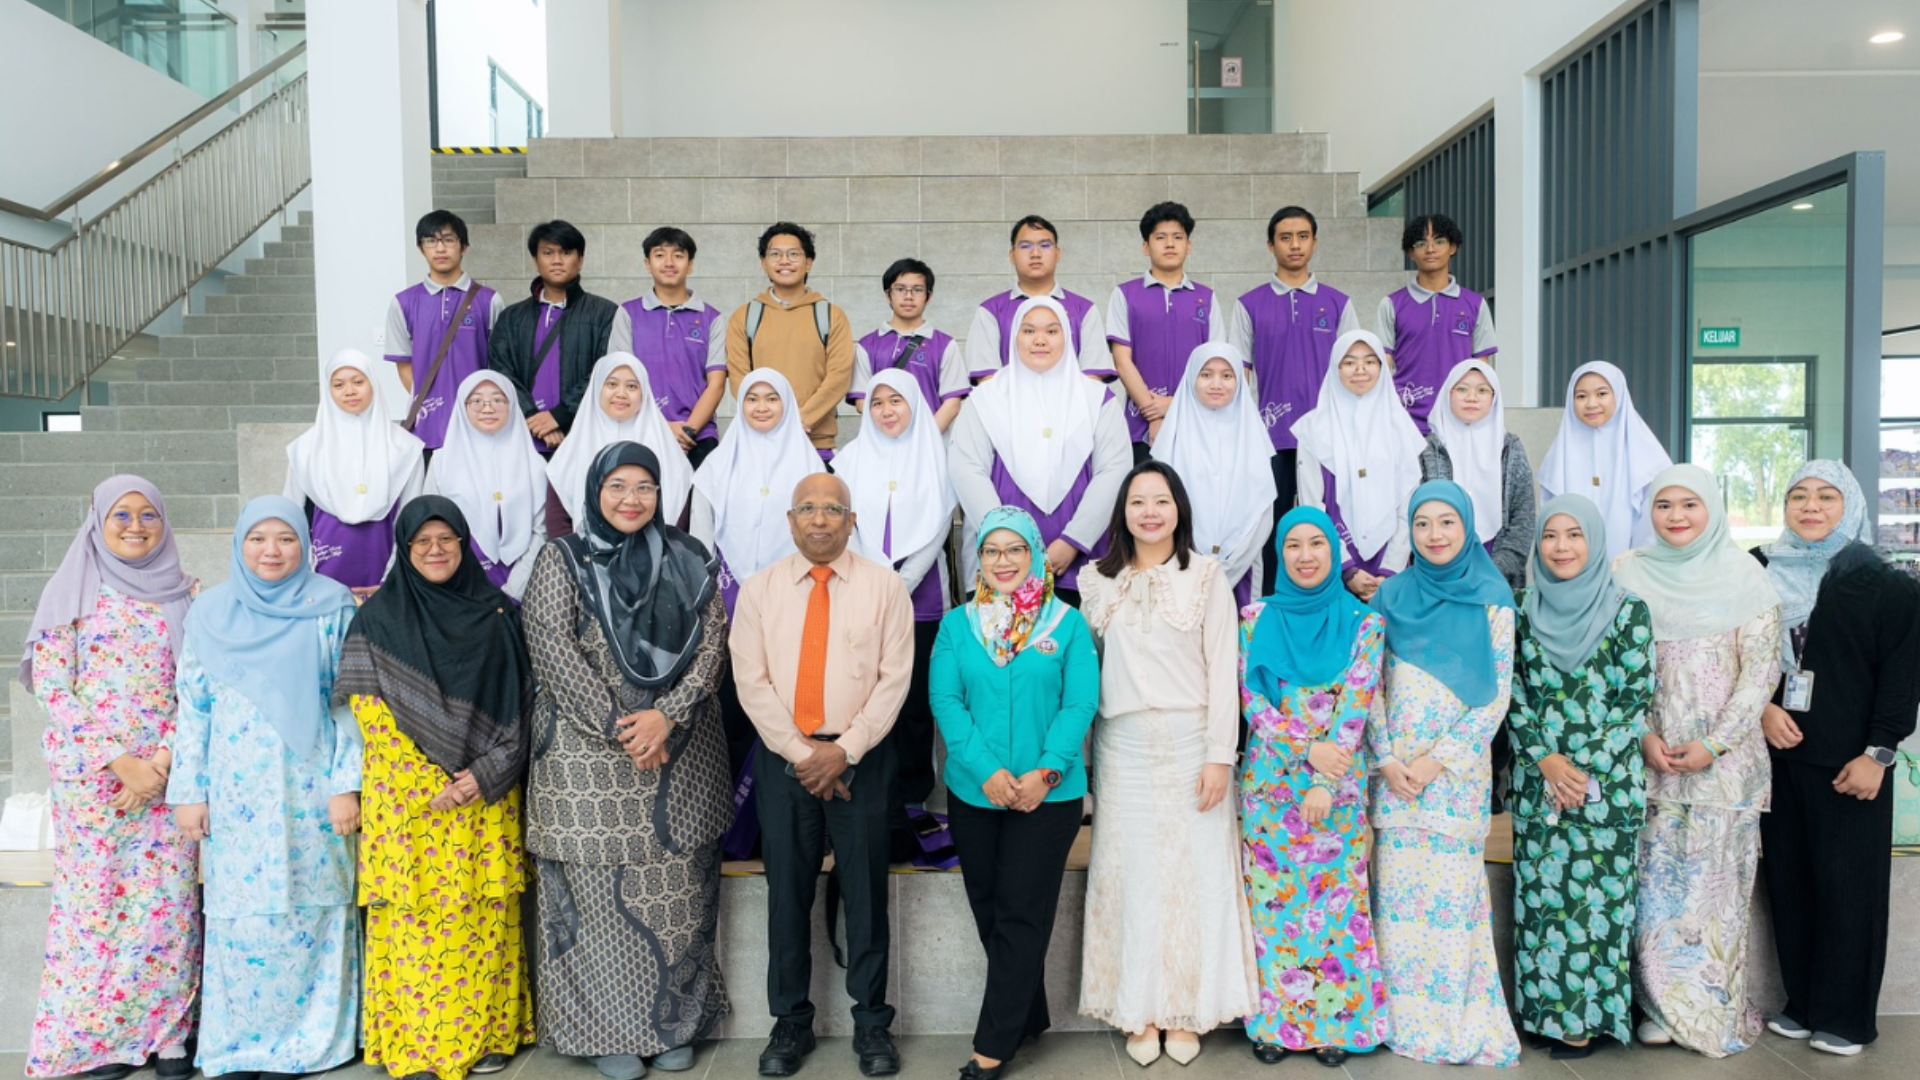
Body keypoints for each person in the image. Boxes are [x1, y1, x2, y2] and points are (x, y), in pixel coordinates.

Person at [521, 442, 733, 1079]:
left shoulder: (689, 557)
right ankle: (602, 1031)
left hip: (681, 757)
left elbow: (713, 642)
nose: (631, 499)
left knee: (679, 894)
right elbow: (552, 648)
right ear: (594, 491)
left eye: (645, 486)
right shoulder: (562, 559)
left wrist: (667, 715)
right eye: (617, 486)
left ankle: (674, 1023)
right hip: (585, 761)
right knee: (595, 904)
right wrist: (627, 731)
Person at [335, 496, 536, 1080]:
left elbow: (526, 707)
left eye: (447, 538)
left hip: (485, 798)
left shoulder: (500, 614)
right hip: (409, 803)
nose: (435, 549)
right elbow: (369, 714)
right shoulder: (376, 620)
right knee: (412, 921)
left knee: (485, 917)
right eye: (421, 541)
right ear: (404, 548)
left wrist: (485, 775)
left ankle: (491, 1035)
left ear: (465, 543)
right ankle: (418, 1045)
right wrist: (433, 782)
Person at [167, 496, 363, 1079]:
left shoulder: (331, 606)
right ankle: (240, 1046)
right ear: (240, 543)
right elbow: (193, 706)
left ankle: (308, 1043)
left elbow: (350, 702)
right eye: (258, 538)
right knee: (242, 916)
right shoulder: (209, 613)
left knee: (312, 907)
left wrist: (346, 784)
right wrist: (189, 791)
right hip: (236, 793)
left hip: (311, 789)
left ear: (304, 543)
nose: (271, 551)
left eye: (285, 538)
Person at [728, 473, 914, 1078]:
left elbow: (894, 681)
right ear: (789, 520)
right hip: (785, 761)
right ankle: (790, 1023)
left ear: (852, 521)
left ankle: (872, 1023)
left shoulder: (886, 587)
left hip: (862, 757)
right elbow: (750, 680)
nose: (819, 519)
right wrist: (801, 753)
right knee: (787, 894)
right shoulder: (759, 590)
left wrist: (845, 750)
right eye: (806, 508)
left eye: (833, 509)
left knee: (865, 894)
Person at [1076, 463, 1256, 1066]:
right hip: (1122, 746)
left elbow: (1224, 669)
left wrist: (1220, 756)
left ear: (1179, 508)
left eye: (1161, 500)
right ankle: (1141, 1010)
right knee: (1133, 879)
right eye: (1138, 502)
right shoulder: (1096, 582)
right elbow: (1084, 677)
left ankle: (1185, 1010)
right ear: (1122, 512)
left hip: (1191, 743)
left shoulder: (1206, 576)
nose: (1149, 512)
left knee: (1193, 878)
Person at [21, 477, 200, 1080]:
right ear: (97, 519)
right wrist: (121, 763)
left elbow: (196, 686)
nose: (135, 525)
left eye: (149, 514)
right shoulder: (71, 588)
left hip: (167, 774)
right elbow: (53, 687)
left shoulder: (186, 592)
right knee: (98, 912)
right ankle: (104, 1039)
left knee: (168, 908)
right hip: (92, 778)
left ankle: (169, 1037)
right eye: (121, 514)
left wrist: (161, 764)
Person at [1612, 464, 1781, 1058]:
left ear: (1712, 509)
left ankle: (1708, 1011)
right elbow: (1612, 666)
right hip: (1648, 765)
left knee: (1714, 896)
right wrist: (1640, 734)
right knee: (1653, 894)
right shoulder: (1627, 572)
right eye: (1664, 505)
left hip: (1723, 770)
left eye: (1690, 504)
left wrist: (1715, 743)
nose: (1676, 516)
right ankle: (1659, 1007)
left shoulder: (1745, 576)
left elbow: (1761, 671)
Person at [1755, 461, 1920, 1056]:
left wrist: (1879, 753)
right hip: (1776, 756)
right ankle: (1802, 1004)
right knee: (1790, 885)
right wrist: (1762, 709)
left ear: (1850, 505)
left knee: (1850, 889)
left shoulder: (1885, 583)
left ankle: (1846, 1018)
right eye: (1798, 495)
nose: (1811, 507)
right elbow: (1734, 655)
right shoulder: (1758, 570)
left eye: (1827, 497)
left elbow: (1901, 678)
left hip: (1852, 763)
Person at [929, 507, 1099, 1080]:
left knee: (1021, 913)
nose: (1003, 561)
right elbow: (946, 702)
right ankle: (1028, 1014)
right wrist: (985, 771)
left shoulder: (1066, 623)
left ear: (1035, 555)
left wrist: (1045, 772)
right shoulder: (958, 625)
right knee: (990, 911)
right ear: (978, 558)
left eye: (1015, 549)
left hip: (1047, 797)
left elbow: (1079, 703)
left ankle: (992, 1046)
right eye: (991, 550)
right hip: (975, 793)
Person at [1366, 480, 1520, 1067]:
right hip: (1395, 778)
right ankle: (1403, 1022)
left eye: (1447, 522)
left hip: (1454, 779)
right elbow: (1368, 684)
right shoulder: (1390, 596)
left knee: (1452, 907)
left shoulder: (1493, 598)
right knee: (1400, 906)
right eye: (1422, 523)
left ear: (1467, 527)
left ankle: (1453, 1023)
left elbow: (1495, 696)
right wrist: (1387, 759)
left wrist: (1436, 761)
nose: (1434, 535)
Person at [1238, 507, 1389, 1067]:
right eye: (1293, 545)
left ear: (1334, 551)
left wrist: (1326, 775)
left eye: (1316, 544)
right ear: (1281, 555)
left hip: (1336, 786)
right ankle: (1275, 1024)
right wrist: (1305, 750)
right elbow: (1253, 700)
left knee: (1335, 907)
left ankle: (1335, 1023)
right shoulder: (1255, 618)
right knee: (1273, 906)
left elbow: (1356, 705)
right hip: (1270, 788)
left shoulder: (1364, 623)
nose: (1305, 556)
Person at [1507, 495, 1655, 1058]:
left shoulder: (1628, 610)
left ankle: (1584, 1021)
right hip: (1538, 783)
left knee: (1595, 907)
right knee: (1541, 903)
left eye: (1574, 535)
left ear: (1594, 540)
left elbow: (1632, 700)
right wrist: (1546, 761)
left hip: (1605, 789)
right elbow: (1512, 691)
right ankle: (1543, 1014)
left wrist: (1581, 767)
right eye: (1550, 535)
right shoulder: (1522, 608)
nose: (1561, 546)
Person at [832, 370, 958, 850]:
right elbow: (846, 527)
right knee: (863, 697)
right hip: (861, 596)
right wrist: (877, 585)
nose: (886, 410)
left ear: (915, 405)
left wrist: (898, 585)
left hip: (921, 600)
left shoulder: (939, 457)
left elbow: (937, 529)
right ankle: (872, 797)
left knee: (914, 703)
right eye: (878, 402)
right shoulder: (848, 459)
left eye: (896, 401)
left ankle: (912, 799)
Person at [948, 296, 1132, 604]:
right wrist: (1008, 542)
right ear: (1014, 337)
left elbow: (1114, 470)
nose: (1040, 340)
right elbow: (967, 469)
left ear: (1067, 336)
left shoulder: (1098, 399)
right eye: (1029, 331)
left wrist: (1073, 541)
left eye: (1051, 331)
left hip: (1081, 563)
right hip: (1003, 565)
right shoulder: (985, 399)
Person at [1228, 206, 1359, 593]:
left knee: (1327, 529)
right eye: (1285, 237)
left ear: (1315, 242)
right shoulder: (1249, 305)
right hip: (1273, 440)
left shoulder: (1338, 303)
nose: (1295, 244)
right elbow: (1239, 376)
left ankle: (1329, 604)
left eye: (1303, 236)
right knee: (1274, 532)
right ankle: (1272, 607)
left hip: (1329, 440)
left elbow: (1354, 370)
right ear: (1271, 245)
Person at [488, 220, 619, 532]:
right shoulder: (511, 317)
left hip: (580, 437)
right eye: (548, 253)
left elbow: (605, 371)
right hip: (523, 440)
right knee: (524, 523)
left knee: (577, 520)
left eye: (566, 252)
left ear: (580, 260)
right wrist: (534, 418)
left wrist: (559, 416)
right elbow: (501, 370)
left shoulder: (604, 313)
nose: (557, 260)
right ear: (536, 259)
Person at [1293, 330, 1424, 603]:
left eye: (1370, 361)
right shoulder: (1313, 429)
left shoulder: (1401, 428)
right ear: (1335, 368)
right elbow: (1312, 505)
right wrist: (1347, 568)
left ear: (1382, 367)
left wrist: (1390, 569)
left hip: (1392, 564)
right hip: (1331, 561)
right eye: (1349, 362)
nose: (1360, 370)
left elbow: (1409, 507)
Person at [283, 348, 426, 597]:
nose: (349, 391)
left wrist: (393, 579)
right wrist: (304, 577)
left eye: (358, 382)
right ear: (328, 390)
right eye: (338, 385)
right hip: (321, 571)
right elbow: (290, 516)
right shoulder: (305, 448)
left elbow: (412, 517)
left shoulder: (405, 447)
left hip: (387, 566)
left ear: (373, 384)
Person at [1149, 341, 1275, 606]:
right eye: (1206, 375)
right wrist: (1192, 564)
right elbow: (1160, 507)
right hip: (1179, 565)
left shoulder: (1252, 438)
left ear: (1239, 381)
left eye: (1227, 375)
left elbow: (1263, 509)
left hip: (1242, 568)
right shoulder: (1172, 440)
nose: (1217, 384)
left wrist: (1226, 571)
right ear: (1191, 378)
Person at [691, 369, 824, 615]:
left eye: (772, 399)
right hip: (727, 584)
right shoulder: (717, 464)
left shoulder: (809, 463)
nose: (761, 407)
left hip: (794, 582)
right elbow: (701, 529)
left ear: (787, 403)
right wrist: (702, 579)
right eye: (752, 399)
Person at [724, 222, 855, 462]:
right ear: (764, 263)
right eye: (775, 254)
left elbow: (839, 377)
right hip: (760, 442)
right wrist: (772, 422)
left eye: (794, 254)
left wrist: (799, 421)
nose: (784, 261)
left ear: (808, 263)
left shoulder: (830, 315)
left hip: (816, 443)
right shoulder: (744, 317)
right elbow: (739, 379)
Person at [1106, 201, 1227, 459]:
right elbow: (1122, 362)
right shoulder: (1125, 295)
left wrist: (1173, 405)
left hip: (1198, 422)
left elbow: (1214, 364)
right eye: (1160, 237)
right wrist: (1153, 413)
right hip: (1140, 427)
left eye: (1177, 237)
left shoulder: (1206, 298)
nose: (1170, 244)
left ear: (1189, 245)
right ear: (1146, 246)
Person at [607, 227, 730, 468]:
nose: (669, 263)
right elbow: (622, 381)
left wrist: (688, 430)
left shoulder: (711, 317)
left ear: (690, 265)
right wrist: (659, 426)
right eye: (660, 255)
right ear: (647, 263)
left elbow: (716, 384)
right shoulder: (628, 313)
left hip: (697, 437)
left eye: (678, 255)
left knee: (697, 495)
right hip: (640, 430)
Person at [383, 209, 505, 452]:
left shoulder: (489, 300)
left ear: (463, 247)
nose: (440, 248)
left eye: (448, 240)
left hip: (478, 424)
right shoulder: (403, 302)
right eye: (431, 241)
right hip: (426, 427)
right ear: (421, 248)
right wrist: (430, 403)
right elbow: (404, 363)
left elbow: (500, 364)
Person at [424, 370, 549, 600]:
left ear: (512, 405)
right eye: (476, 401)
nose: (488, 408)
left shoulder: (535, 464)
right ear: (462, 407)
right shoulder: (442, 462)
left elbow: (542, 530)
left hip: (526, 583)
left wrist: (515, 590)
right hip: (459, 584)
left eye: (498, 400)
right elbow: (430, 525)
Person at [1537, 361, 1672, 561]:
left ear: (1618, 395)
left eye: (1601, 394)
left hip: (1632, 568)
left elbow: (1655, 519)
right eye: (1581, 396)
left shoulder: (1648, 453)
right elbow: (1549, 517)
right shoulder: (1559, 455)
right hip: (1571, 568)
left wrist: (1634, 565)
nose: (1591, 403)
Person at [546, 353, 695, 534]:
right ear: (597, 388)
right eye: (612, 384)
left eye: (632, 386)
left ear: (644, 392)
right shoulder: (573, 449)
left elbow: (680, 517)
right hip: (584, 550)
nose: (621, 394)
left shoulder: (666, 447)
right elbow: (558, 521)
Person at [1420, 359, 1535, 591]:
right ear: (1448, 393)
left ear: (1494, 398)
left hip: (1499, 574)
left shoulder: (1510, 448)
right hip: (1439, 572)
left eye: (1482, 390)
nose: (1471, 397)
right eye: (1462, 389)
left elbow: (1523, 517)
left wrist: (1494, 569)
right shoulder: (1427, 448)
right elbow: (1416, 517)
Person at [1374, 214, 1496, 432]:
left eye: (1439, 241)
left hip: (1458, 421)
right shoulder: (1391, 304)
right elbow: (1382, 366)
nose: (1430, 249)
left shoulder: (1475, 304)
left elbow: (1482, 369)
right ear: (1411, 252)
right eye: (1421, 243)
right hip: (1405, 422)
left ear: (1453, 247)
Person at [964, 214, 1114, 380]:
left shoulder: (1084, 310)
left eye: (1045, 245)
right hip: (1008, 398)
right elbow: (987, 381)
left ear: (1058, 253)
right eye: (1025, 246)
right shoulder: (990, 311)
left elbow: (1093, 379)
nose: (1035, 253)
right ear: (1012, 255)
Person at [847, 257, 970, 433]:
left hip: (930, 444)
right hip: (883, 444)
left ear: (928, 297)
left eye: (917, 290)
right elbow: (862, 401)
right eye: (900, 289)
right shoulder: (868, 345)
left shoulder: (944, 344)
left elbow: (952, 404)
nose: (909, 296)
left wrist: (925, 439)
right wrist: (890, 436)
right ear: (887, 295)